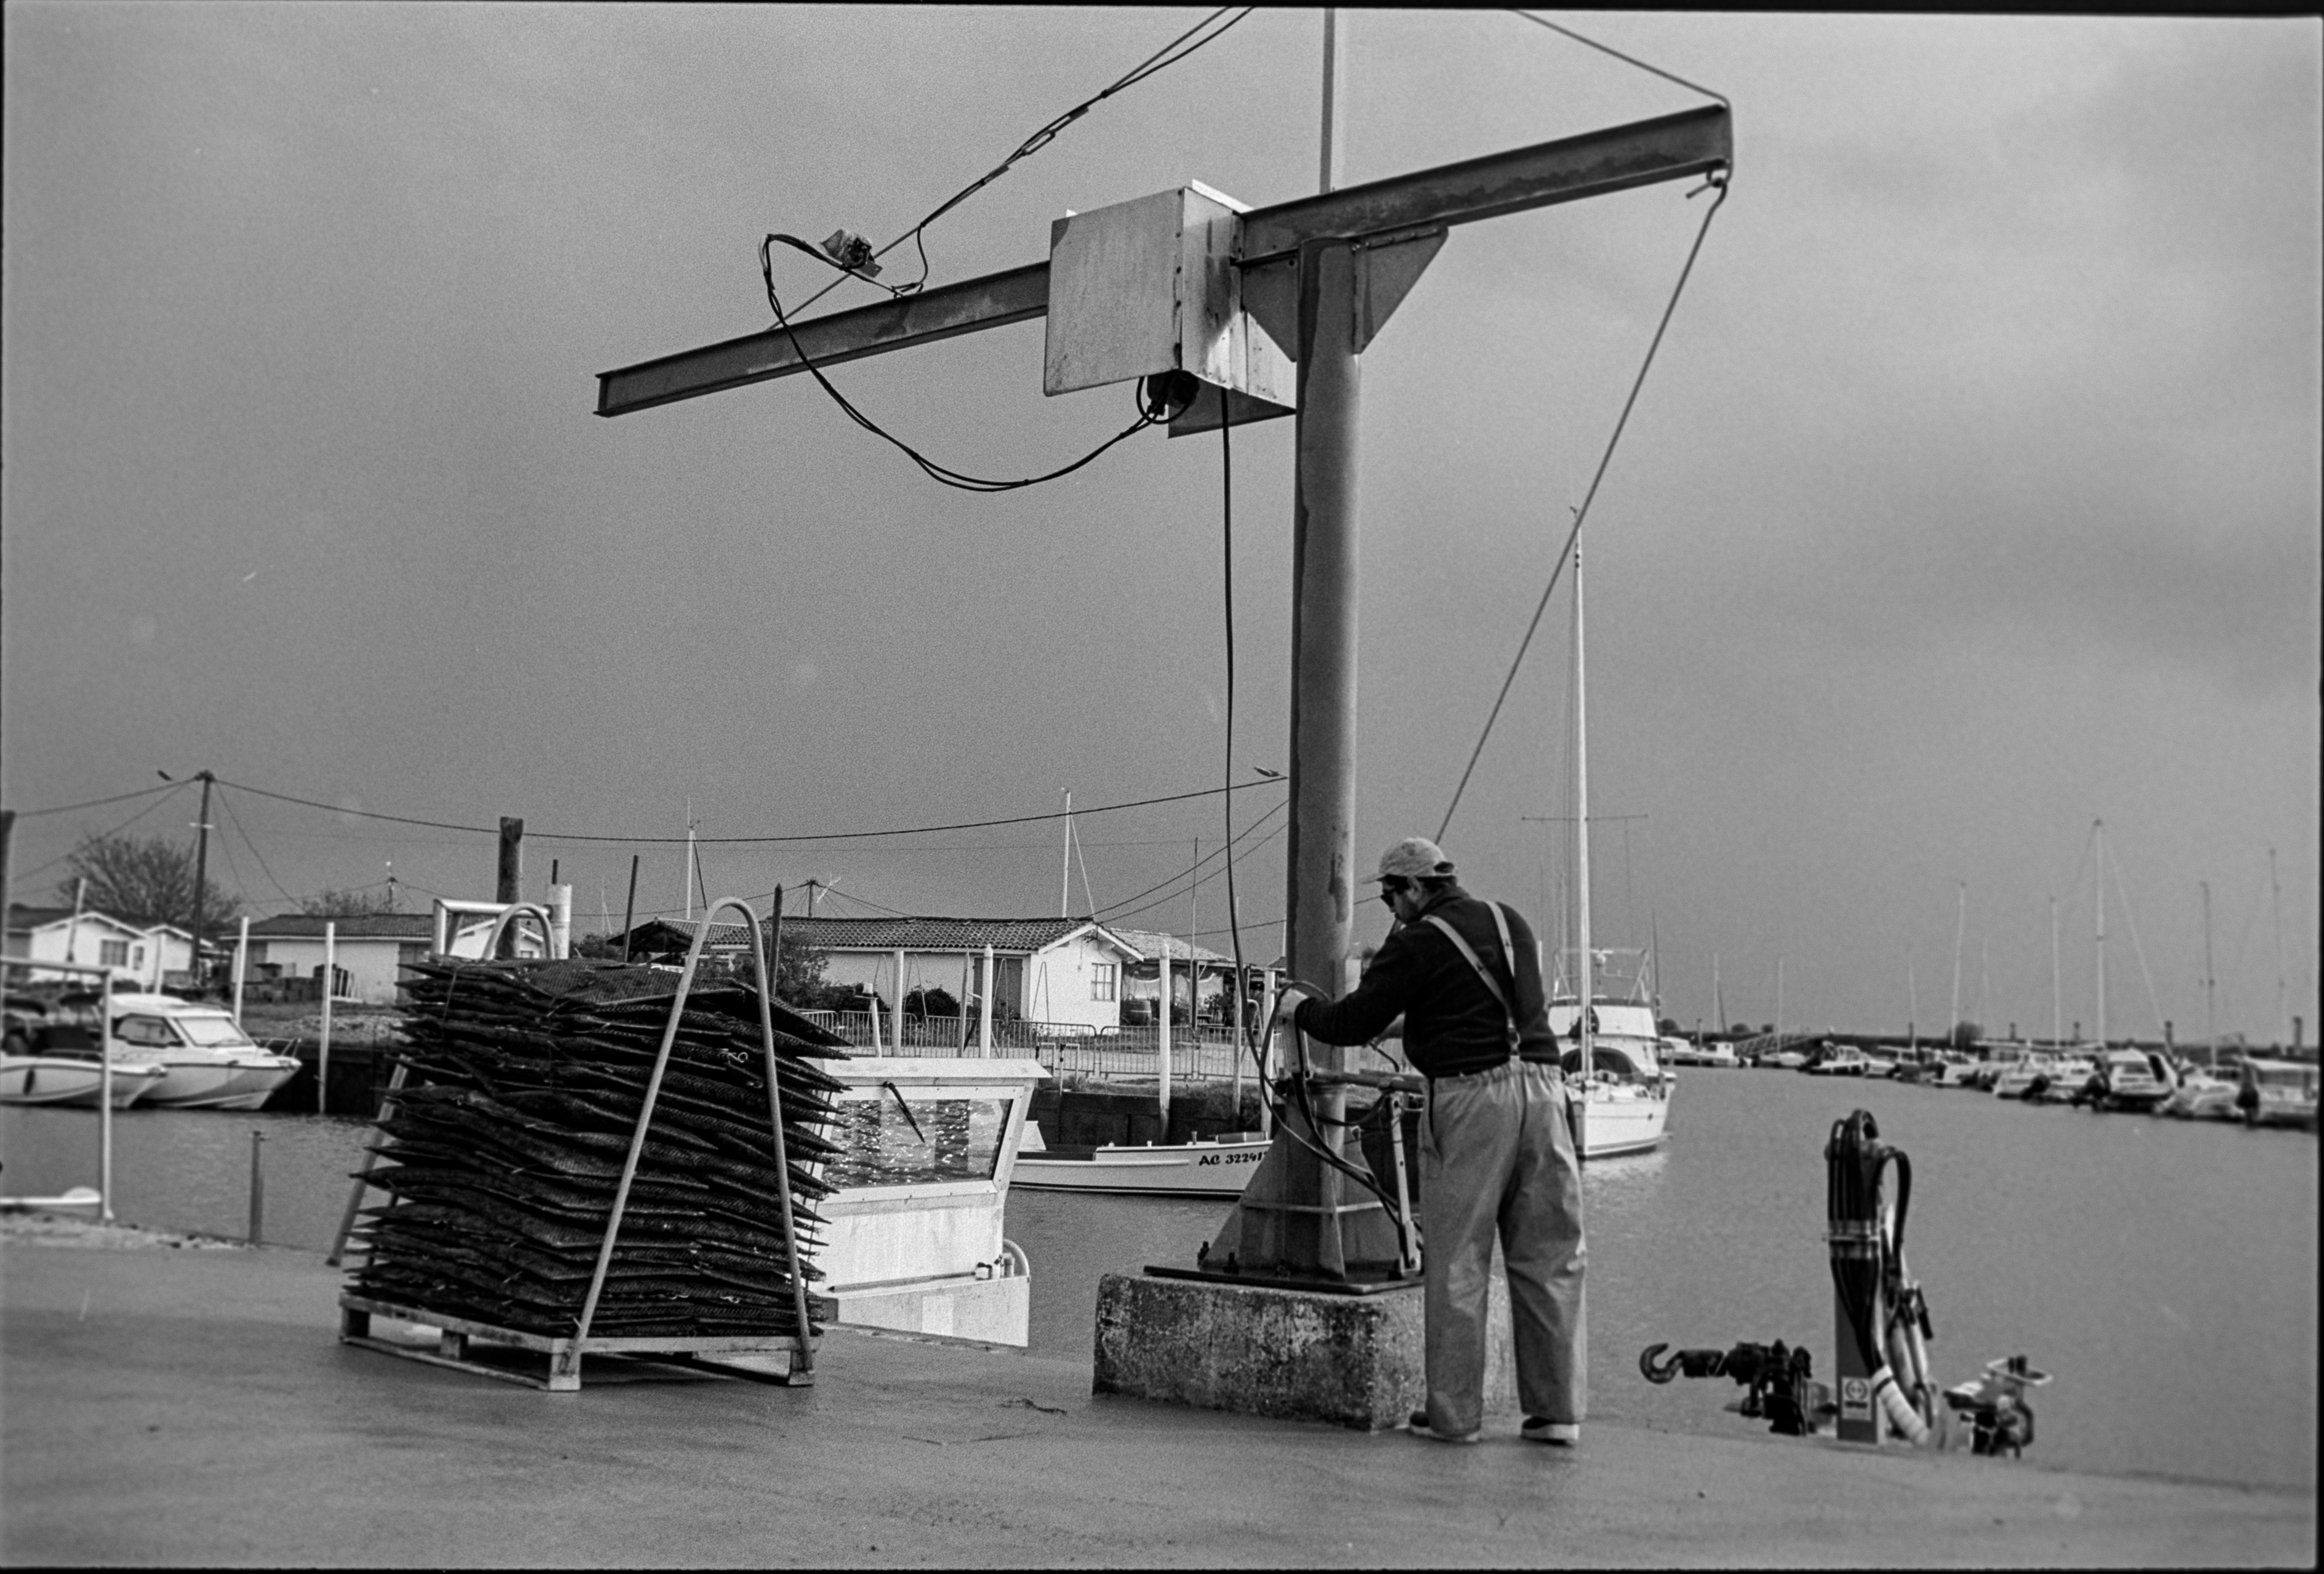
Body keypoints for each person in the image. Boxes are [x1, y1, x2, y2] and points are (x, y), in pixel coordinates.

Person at [1275, 836, 1585, 1446]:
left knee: (1459, 1261)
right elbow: (1476, 1001)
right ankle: (1557, 1415)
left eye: (1391, 895)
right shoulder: (1509, 919)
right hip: (1547, 1092)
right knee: (1552, 1256)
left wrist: (1297, 1010)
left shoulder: (1416, 943)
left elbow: (1351, 1023)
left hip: (1472, 1098)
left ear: (1415, 888)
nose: (1390, 907)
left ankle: (1455, 1419)